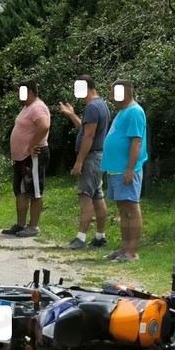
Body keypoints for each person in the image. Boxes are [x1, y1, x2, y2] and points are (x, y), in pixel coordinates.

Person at [58, 75, 110, 249]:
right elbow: (85, 128)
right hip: (98, 157)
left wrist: (79, 161)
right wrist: (72, 115)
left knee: (85, 197)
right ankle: (100, 237)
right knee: (97, 196)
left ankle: (80, 239)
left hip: (91, 158)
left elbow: (89, 135)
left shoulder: (92, 107)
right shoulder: (100, 105)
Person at [99, 80, 147, 262]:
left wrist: (130, 168)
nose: (111, 98)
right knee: (123, 209)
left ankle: (132, 252)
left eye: (114, 94)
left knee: (131, 208)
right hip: (115, 170)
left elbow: (136, 141)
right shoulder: (122, 112)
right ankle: (124, 249)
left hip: (126, 170)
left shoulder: (135, 111)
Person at [3, 80, 50, 238]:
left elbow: (44, 126)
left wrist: (32, 145)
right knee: (21, 190)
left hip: (33, 156)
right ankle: (20, 225)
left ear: (30, 92)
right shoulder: (27, 107)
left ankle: (34, 226)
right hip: (22, 157)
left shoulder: (37, 107)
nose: (18, 95)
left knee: (34, 191)